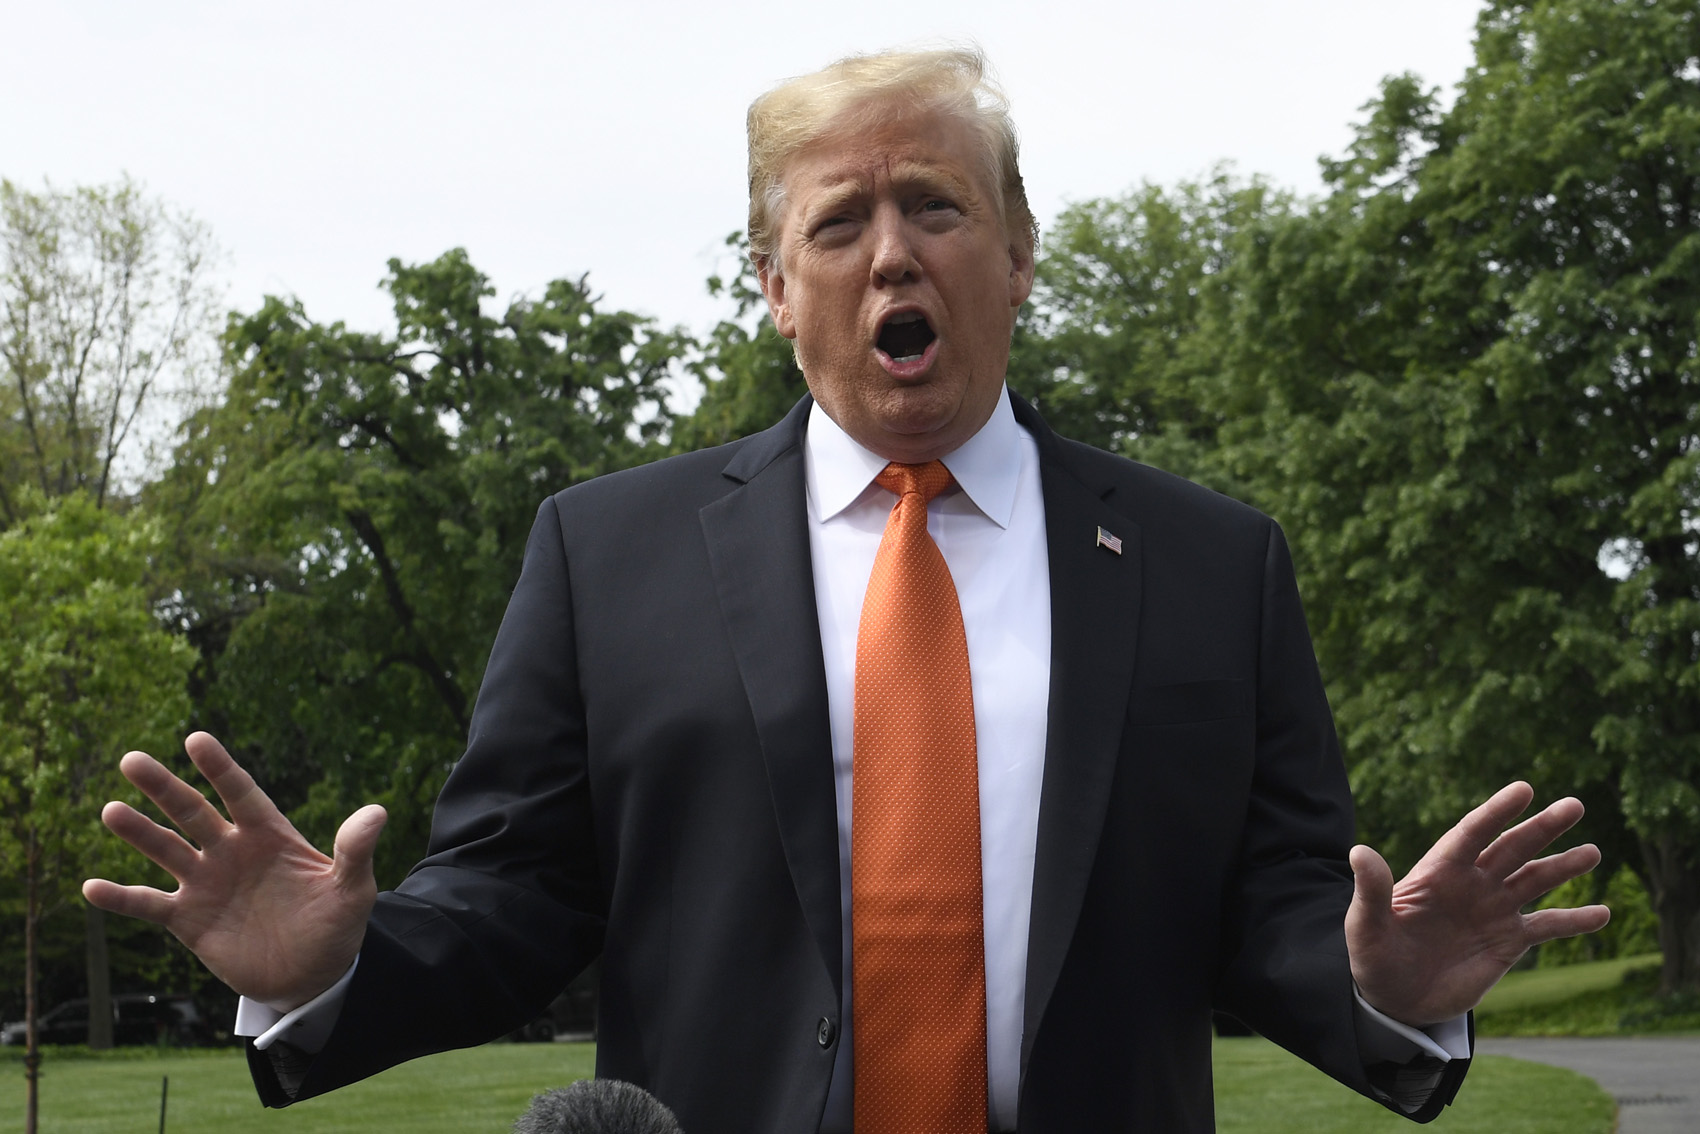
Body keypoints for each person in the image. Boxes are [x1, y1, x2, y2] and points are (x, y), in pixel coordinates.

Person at [84, 49, 1609, 1133]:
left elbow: (1274, 907)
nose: (894, 251)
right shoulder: (603, 553)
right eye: (839, 220)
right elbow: (517, 891)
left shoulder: (1213, 561)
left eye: (938, 207)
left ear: (1016, 253)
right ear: (770, 280)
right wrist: (337, 966)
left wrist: (1385, 981)